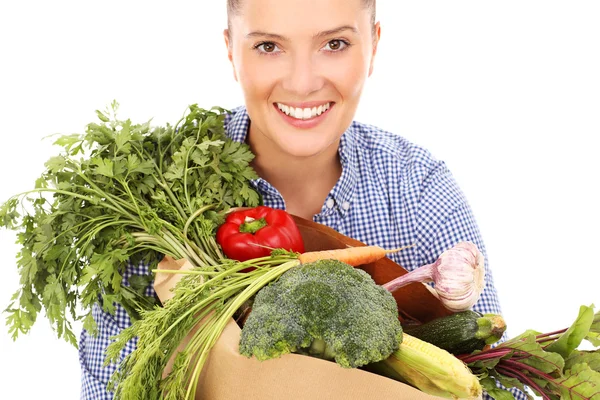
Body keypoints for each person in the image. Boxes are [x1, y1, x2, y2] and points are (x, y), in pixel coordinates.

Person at [79, 0, 526, 399]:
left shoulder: (416, 189)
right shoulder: (152, 199)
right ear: (231, 50)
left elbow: (498, 385)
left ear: (373, 45)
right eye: (269, 46)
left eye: (334, 43)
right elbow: (109, 387)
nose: (303, 82)